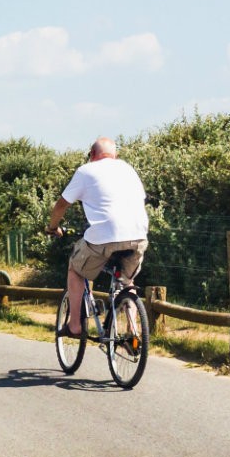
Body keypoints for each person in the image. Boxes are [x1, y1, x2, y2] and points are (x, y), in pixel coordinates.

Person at [43, 137, 148, 337]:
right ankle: (133, 331)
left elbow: (61, 205)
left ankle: (75, 325)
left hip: (104, 237)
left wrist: (52, 227)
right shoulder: (128, 169)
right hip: (139, 236)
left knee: (75, 269)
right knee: (128, 281)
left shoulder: (86, 171)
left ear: (92, 155)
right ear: (115, 155)